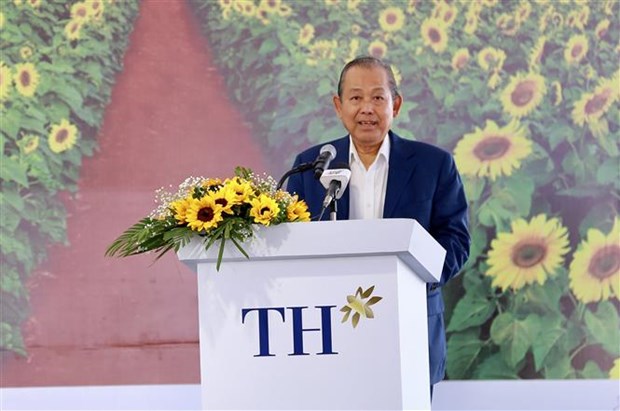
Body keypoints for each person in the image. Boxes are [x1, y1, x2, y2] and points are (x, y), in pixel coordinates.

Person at [286, 56, 470, 395]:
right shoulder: (310, 167)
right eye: (355, 98)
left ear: (395, 105)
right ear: (338, 106)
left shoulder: (434, 165)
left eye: (377, 97)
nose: (366, 108)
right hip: (332, 331)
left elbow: (456, 241)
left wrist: (415, 282)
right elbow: (293, 241)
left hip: (409, 327)